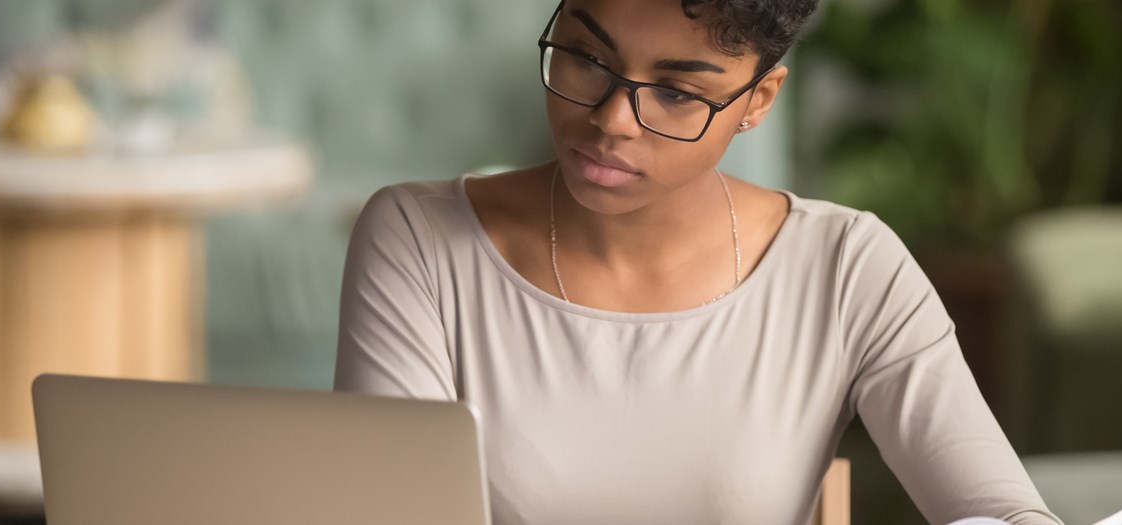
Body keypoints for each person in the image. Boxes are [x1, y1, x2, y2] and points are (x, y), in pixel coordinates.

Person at [334, 1, 1061, 523]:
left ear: (757, 100)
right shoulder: (418, 239)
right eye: (587, 58)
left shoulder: (845, 266)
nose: (612, 120)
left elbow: (999, 507)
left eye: (678, 93)